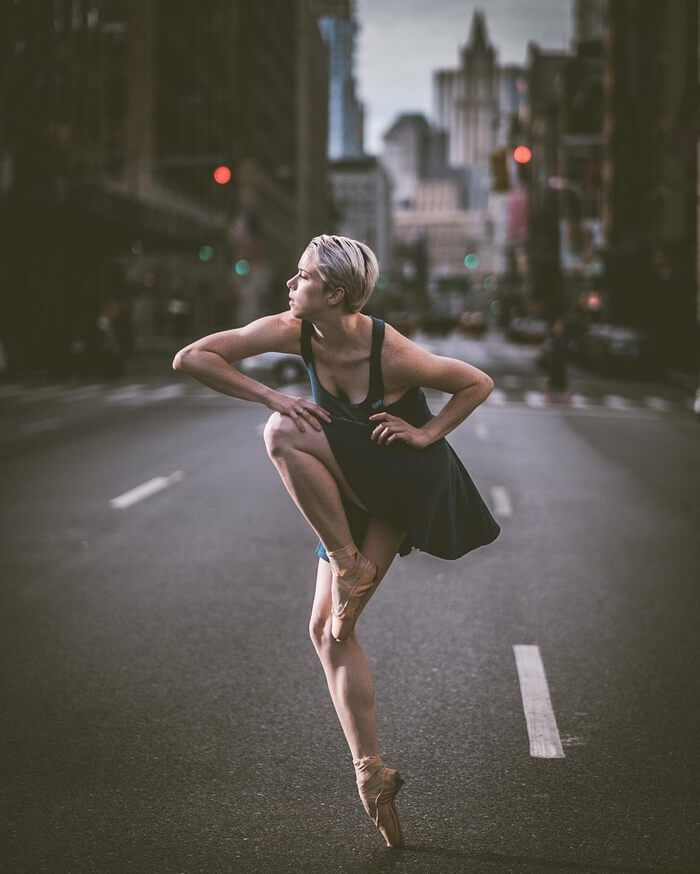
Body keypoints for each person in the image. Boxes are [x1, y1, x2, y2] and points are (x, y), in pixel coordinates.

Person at [173, 234, 500, 848]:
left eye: (302, 277)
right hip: (353, 485)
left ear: (336, 293)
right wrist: (272, 392)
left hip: (402, 479)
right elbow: (192, 357)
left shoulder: (390, 350)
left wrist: (428, 434)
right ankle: (372, 773)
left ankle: (350, 563)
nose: (291, 286)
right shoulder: (293, 328)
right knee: (327, 631)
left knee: (281, 434)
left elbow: (476, 382)